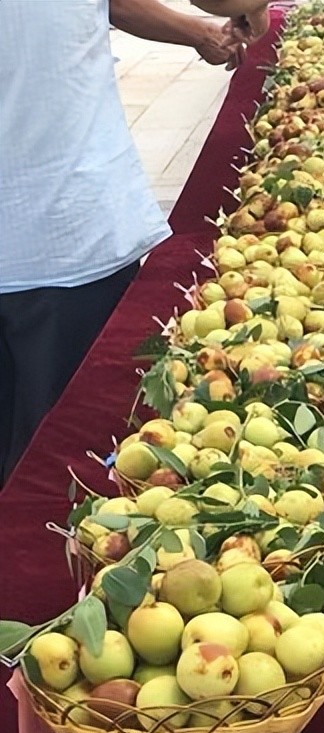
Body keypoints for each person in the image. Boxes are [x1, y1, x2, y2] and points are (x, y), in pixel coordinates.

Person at [0, 0, 272, 485]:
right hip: (62, 233)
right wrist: (245, 10)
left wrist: (201, 33)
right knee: (66, 463)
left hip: (56, 230)